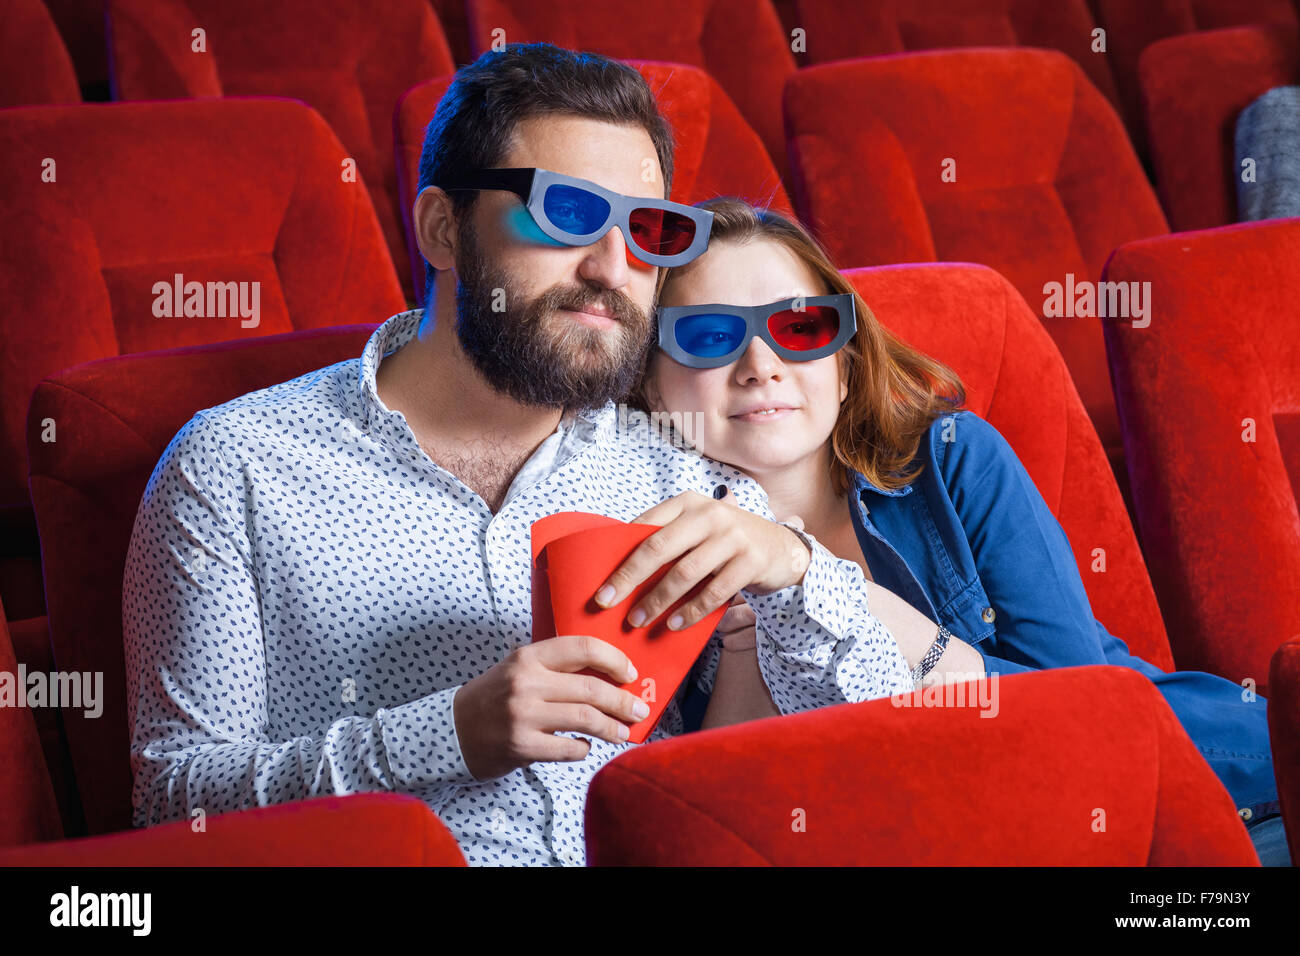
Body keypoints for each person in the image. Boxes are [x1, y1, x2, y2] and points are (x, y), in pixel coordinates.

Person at [121, 43, 938, 867]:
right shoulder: (233, 465)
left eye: (647, 231)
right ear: (443, 227)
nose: (613, 269)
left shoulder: (677, 462)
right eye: (567, 214)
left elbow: (869, 734)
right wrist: (444, 735)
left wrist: (795, 568)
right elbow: (171, 801)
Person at [635, 197, 1291, 865]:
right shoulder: (652, 546)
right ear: (655, 387)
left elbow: (1089, 722)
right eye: (708, 335)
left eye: (800, 328)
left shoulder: (952, 458)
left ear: (845, 366)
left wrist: (817, 579)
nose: (761, 363)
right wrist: (746, 646)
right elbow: (719, 809)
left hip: (1225, 800)